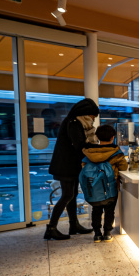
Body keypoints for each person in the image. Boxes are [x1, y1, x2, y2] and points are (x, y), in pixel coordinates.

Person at [45, 98, 100, 240]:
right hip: (66, 165)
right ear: (87, 113)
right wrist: (98, 150)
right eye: (93, 116)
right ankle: (51, 228)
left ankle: (73, 225)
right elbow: (79, 145)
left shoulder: (74, 122)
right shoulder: (74, 123)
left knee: (73, 194)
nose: (93, 119)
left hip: (70, 164)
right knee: (68, 195)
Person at [80, 124, 128, 242]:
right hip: (110, 188)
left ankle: (97, 234)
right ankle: (107, 233)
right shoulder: (116, 152)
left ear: (97, 137)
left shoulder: (89, 152)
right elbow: (124, 167)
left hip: (93, 189)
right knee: (109, 211)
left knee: (96, 210)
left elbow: (83, 167)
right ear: (112, 137)